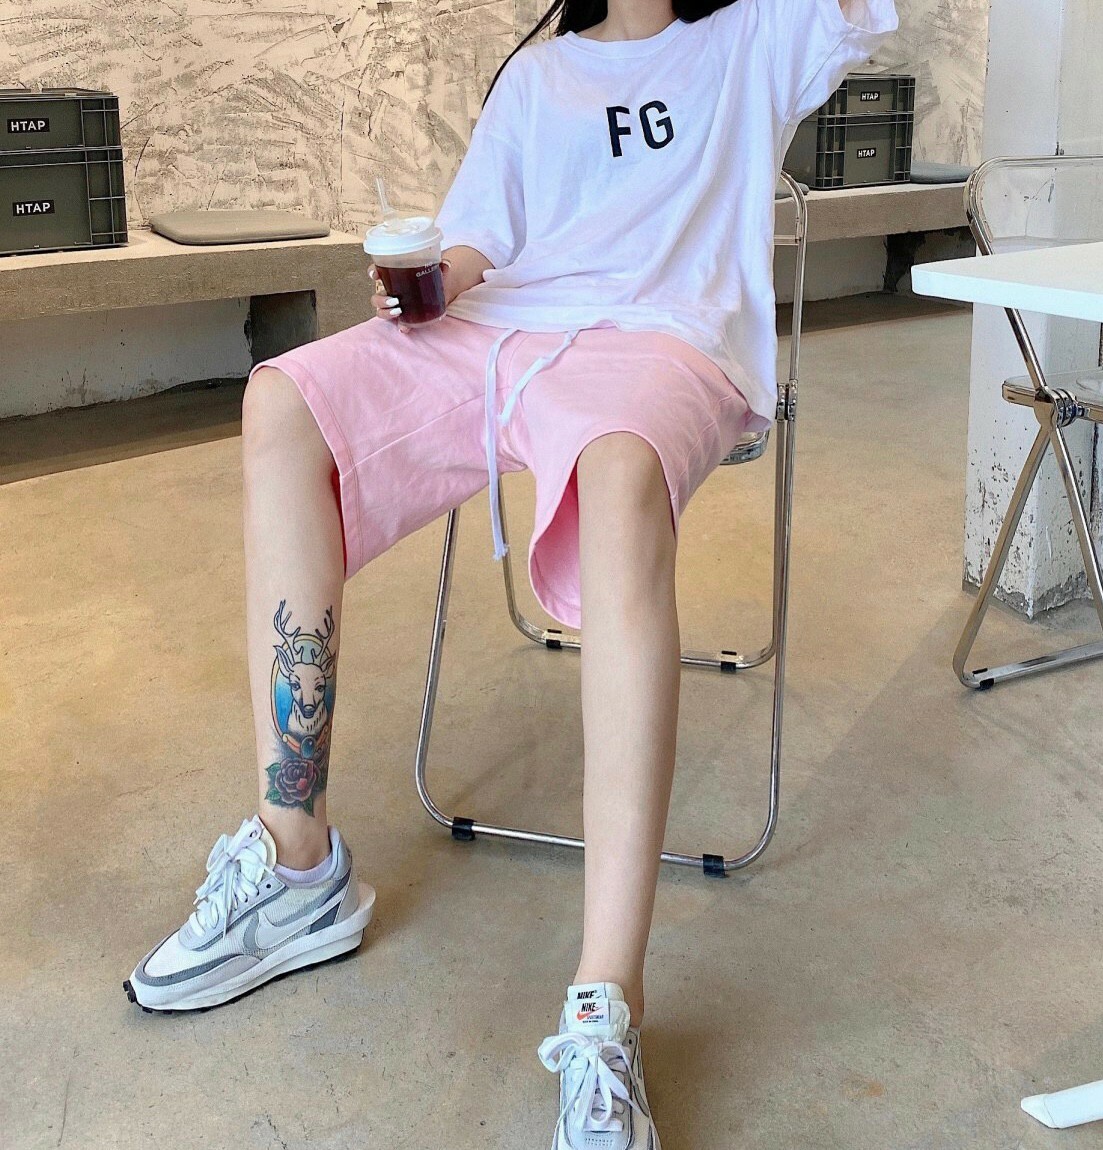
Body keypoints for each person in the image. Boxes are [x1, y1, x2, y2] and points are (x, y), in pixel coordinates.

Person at [126, 0, 897, 1145]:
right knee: (282, 397)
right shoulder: (538, 78)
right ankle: (295, 866)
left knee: (620, 468)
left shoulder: (756, 40)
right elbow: (479, 236)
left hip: (662, 342)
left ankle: (606, 1001)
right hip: (500, 329)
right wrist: (430, 278)